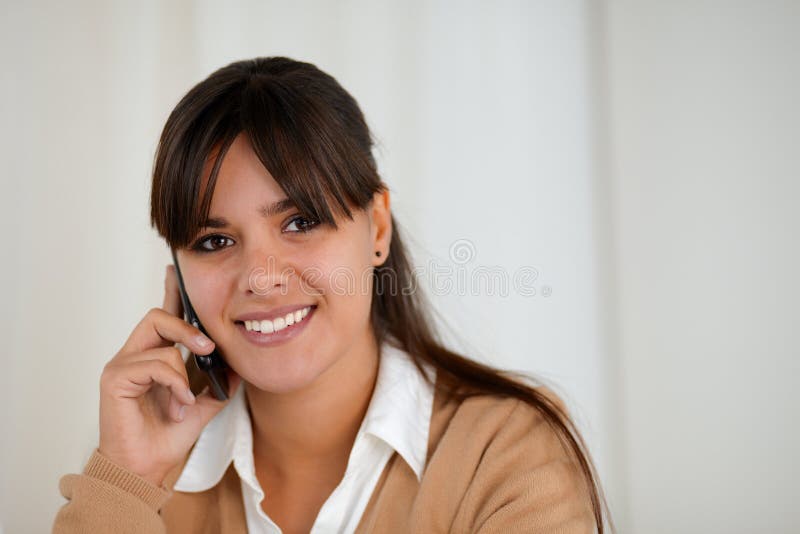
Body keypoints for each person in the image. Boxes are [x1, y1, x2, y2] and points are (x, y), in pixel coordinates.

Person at [53, 56, 611, 533]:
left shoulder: (505, 454)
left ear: (376, 229)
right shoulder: (149, 474)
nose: (261, 276)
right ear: (177, 276)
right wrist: (127, 478)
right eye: (215, 239)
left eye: (300, 222)